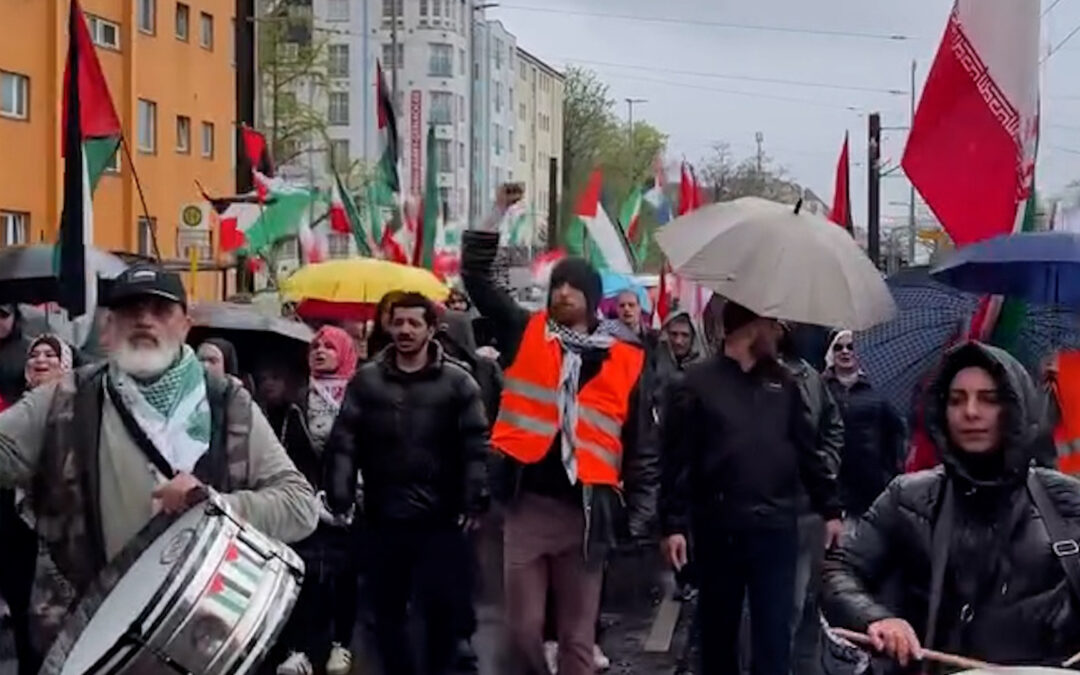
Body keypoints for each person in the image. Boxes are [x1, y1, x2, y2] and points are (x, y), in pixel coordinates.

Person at [0, 263, 319, 651]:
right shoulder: (63, 398)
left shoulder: (226, 401)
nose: (145, 321)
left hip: (202, 632)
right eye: (132, 311)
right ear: (108, 327)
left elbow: (300, 506)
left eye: (160, 310)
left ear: (185, 324)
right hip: (91, 636)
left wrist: (214, 504)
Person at [462, 187, 658, 675]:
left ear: (593, 300)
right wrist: (495, 212)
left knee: (577, 639)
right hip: (528, 506)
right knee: (523, 630)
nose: (563, 293)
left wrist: (639, 520)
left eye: (573, 287)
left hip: (588, 516)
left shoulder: (627, 359)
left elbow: (642, 449)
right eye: (557, 286)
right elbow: (478, 280)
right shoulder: (527, 333)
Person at [822, 341, 1080, 667]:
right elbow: (839, 571)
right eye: (957, 400)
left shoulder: (1064, 498)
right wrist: (876, 618)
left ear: (1015, 408)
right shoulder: (909, 496)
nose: (970, 412)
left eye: (989, 399)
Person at [660, 302, 841, 675]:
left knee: (774, 638)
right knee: (718, 637)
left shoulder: (784, 385)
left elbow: (808, 452)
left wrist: (830, 508)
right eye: (771, 324)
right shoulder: (696, 384)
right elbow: (676, 461)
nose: (778, 332)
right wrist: (672, 524)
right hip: (717, 528)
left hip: (775, 530)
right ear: (750, 327)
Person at [324, 292, 491, 675]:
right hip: (384, 514)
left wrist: (474, 498)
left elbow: (476, 445)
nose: (405, 330)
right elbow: (344, 440)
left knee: (441, 613)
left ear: (431, 329)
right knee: (385, 613)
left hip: (441, 518)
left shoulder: (458, 383)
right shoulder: (367, 382)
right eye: (398, 322)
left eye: (414, 323)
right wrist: (341, 492)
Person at [275, 326, 359, 675]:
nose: (320, 351)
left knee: (345, 576)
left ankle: (342, 644)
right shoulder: (294, 398)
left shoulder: (359, 397)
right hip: (305, 501)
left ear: (345, 353)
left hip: (350, 503)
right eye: (315, 346)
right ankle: (301, 649)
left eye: (329, 346)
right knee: (303, 574)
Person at [0, 334, 74, 675]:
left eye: (51, 354)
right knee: (23, 624)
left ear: (66, 366)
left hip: (62, 539)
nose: (41, 359)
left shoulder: (79, 412)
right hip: (15, 537)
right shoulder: (14, 412)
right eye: (35, 355)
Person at [778, 324, 843, 675]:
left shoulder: (810, 377)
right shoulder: (748, 378)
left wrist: (827, 464)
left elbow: (832, 426)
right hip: (766, 507)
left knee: (804, 599)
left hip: (807, 506)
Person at [823, 330, 906, 518]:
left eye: (851, 347)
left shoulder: (879, 387)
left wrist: (891, 473)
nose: (845, 352)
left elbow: (896, 433)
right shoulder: (821, 388)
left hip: (872, 484)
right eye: (838, 347)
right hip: (832, 484)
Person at [615, 289, 660, 353]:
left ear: (639, 308)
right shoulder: (608, 337)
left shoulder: (653, 338)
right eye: (622, 306)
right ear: (617, 309)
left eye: (631, 305)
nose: (626, 309)